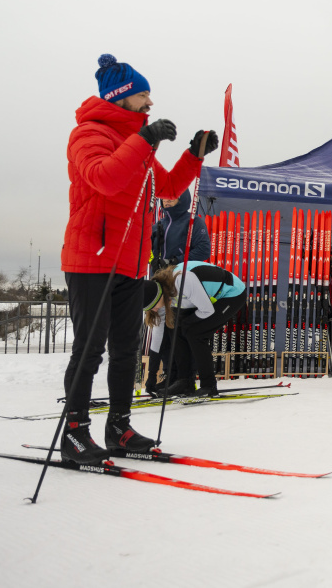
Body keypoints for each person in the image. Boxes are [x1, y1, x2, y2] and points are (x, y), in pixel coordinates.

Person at [60, 53, 218, 464]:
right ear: (122, 96)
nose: (150, 103)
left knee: (128, 349)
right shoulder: (89, 134)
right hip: (92, 259)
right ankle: (75, 432)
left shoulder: (137, 141)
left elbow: (166, 188)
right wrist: (145, 139)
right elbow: (105, 178)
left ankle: (119, 428)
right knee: (90, 348)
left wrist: (193, 155)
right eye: (143, 96)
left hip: (130, 263)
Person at [145, 262, 247, 397]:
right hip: (208, 298)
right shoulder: (162, 292)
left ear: (160, 296)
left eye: (153, 306)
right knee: (175, 328)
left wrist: (188, 322)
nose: (154, 310)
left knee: (195, 333)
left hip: (232, 293)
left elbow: (207, 310)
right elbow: (158, 334)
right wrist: (151, 374)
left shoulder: (182, 281)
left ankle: (209, 385)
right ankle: (184, 382)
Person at [145, 189, 211, 393]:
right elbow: (149, 254)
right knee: (165, 333)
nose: (167, 200)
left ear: (183, 198)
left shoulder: (194, 222)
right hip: (162, 287)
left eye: (172, 196)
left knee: (180, 332)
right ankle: (171, 375)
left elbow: (203, 250)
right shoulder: (159, 224)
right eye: (164, 197)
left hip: (184, 284)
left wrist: (175, 261)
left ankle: (186, 378)